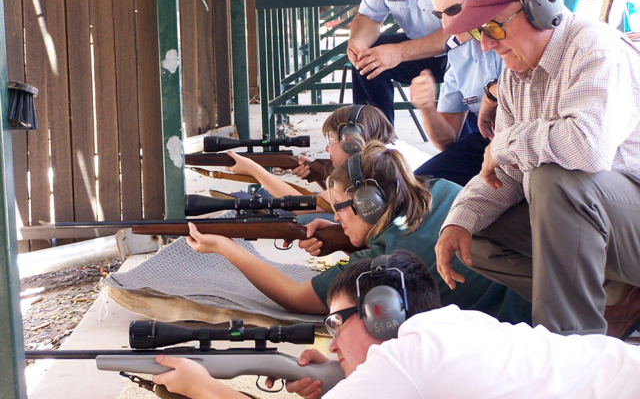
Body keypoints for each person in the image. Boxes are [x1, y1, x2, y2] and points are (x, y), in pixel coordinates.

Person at [435, 0, 640, 340]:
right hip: (603, 223)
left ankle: (570, 348)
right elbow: (506, 174)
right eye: (479, 32)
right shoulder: (515, 76)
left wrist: (506, 143)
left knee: (554, 178)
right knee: (474, 233)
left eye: (493, 28)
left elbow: (586, 148)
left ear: (541, 8)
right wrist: (458, 219)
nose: (485, 45)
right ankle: (613, 301)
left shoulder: (595, 49)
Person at [153, 251, 640, 399]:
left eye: (335, 322)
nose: (332, 339)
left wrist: (204, 390)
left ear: (380, 314)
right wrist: (347, 376)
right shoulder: (455, 327)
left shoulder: (403, 358)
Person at [187, 141, 532, 325]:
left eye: (338, 207)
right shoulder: (436, 189)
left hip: (522, 329)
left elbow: (293, 297)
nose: (336, 217)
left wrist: (224, 247)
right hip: (539, 299)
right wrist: (346, 238)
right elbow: (398, 230)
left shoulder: (386, 263)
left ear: (367, 204)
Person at [222, 104, 431, 224]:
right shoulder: (390, 151)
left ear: (351, 140)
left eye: (331, 140)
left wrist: (254, 169)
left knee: (306, 223)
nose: (327, 148)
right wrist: (321, 175)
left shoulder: (376, 166)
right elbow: (339, 199)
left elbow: (304, 207)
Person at [347, 0, 462, 124]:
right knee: (367, 61)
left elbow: (461, 29)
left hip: (459, 49)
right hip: (419, 49)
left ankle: (465, 140)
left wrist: (398, 53)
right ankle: (374, 143)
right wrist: (357, 43)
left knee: (464, 50)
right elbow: (370, 15)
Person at [409, 0, 503, 186]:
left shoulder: (511, 33)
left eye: (453, 10)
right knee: (415, 189)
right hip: (487, 142)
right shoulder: (457, 51)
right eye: (439, 14)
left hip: (526, 141)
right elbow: (448, 140)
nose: (446, 25)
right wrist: (427, 108)